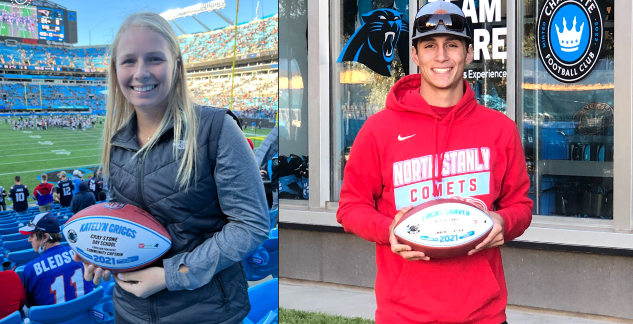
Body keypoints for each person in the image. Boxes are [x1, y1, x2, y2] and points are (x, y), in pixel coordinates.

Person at [336, 2, 532, 324]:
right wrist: (389, 230)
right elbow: (349, 207)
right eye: (429, 46)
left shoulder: (500, 129)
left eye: (452, 45)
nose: (441, 56)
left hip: (483, 314)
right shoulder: (379, 129)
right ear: (415, 55)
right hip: (403, 315)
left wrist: (503, 222)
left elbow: (520, 205)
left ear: (468, 53)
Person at [73, 12, 269, 324]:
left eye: (154, 59)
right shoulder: (116, 140)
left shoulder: (216, 128)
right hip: (130, 311)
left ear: (176, 64)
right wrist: (102, 255)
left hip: (206, 313)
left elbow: (251, 225)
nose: (141, 72)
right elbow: (127, 224)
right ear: (115, 69)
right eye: (128, 61)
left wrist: (172, 275)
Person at [18, 212, 94, 306]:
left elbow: (29, 304)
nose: (29, 240)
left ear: (45, 237)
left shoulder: (30, 269)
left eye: (32, 236)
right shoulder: (80, 254)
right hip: (85, 314)